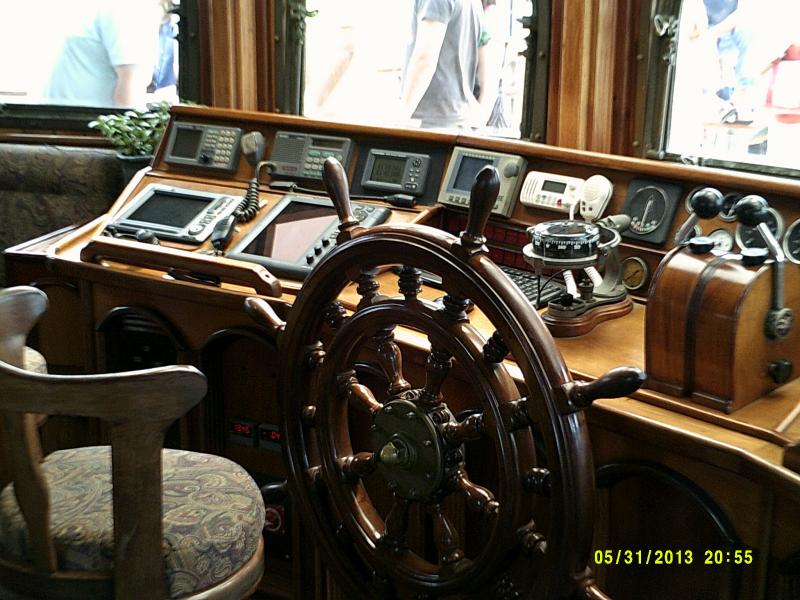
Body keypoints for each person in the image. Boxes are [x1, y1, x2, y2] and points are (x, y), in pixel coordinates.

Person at [44, 0, 163, 108]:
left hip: (78, 122)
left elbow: (131, 85)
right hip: (78, 122)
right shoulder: (123, 8)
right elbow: (130, 86)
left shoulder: (123, 7)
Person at [400, 0, 494, 129]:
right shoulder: (474, 3)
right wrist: (481, 115)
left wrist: (400, 119)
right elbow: (490, 68)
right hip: (459, 121)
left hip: (428, 125)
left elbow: (424, 59)